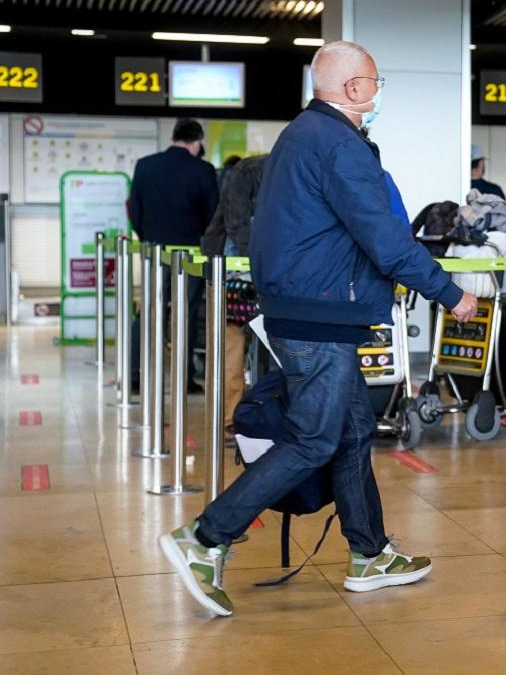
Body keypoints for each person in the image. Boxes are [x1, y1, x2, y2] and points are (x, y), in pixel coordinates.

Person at [159, 40, 478, 618]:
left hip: (307, 308)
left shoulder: (302, 135)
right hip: (320, 315)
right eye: (376, 83)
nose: (378, 93)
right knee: (314, 438)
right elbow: (385, 239)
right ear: (354, 88)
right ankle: (206, 538)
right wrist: (450, 294)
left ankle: (369, 552)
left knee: (353, 431)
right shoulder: (338, 145)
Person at [128, 118, 219, 393]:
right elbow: (214, 215)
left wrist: (147, 237)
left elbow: (134, 209)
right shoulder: (203, 170)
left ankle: (135, 373)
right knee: (185, 315)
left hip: (154, 251)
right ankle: (185, 377)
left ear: (173, 138)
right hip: (190, 255)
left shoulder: (145, 165)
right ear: (197, 142)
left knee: (148, 312)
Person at [201, 154, 266, 422]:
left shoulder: (250, 170)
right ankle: (232, 416)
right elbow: (237, 223)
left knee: (230, 348)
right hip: (241, 272)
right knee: (236, 346)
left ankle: (231, 416)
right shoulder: (253, 170)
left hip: (239, 270)